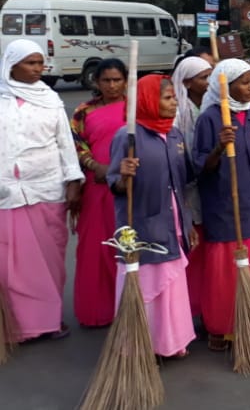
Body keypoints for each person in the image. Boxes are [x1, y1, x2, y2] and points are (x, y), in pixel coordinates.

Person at [0, 40, 84, 342]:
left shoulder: (51, 100)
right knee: (9, 265)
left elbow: (65, 144)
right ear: (12, 65)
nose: (39, 69)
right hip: (6, 193)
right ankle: (15, 326)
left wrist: (74, 181)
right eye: (31, 63)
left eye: (40, 63)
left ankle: (48, 320)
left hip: (46, 188)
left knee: (49, 262)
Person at [108, 74, 197, 358]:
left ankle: (170, 342)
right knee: (143, 282)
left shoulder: (174, 134)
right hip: (142, 225)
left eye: (174, 99)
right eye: (168, 98)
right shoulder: (128, 136)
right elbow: (116, 185)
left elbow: (183, 181)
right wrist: (124, 174)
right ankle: (140, 346)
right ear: (148, 100)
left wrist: (188, 220)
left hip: (173, 221)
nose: (174, 104)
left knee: (171, 285)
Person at [192, 59, 250, 352]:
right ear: (226, 87)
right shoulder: (211, 119)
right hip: (224, 205)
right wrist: (218, 146)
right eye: (245, 82)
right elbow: (200, 165)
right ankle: (221, 327)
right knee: (225, 271)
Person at [70, 58, 127, 328]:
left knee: (126, 246)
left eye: (117, 80)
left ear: (126, 81)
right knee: (95, 248)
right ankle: (96, 311)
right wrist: (96, 166)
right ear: (97, 82)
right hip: (97, 187)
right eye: (106, 80)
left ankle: (128, 309)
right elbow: (77, 146)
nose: (112, 85)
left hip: (129, 187)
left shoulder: (135, 107)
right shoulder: (83, 112)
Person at [170, 55, 213, 317]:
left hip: (209, 181)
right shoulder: (177, 110)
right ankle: (186, 308)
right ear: (186, 82)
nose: (209, 82)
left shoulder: (211, 105)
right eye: (203, 77)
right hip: (186, 183)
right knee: (190, 244)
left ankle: (204, 304)